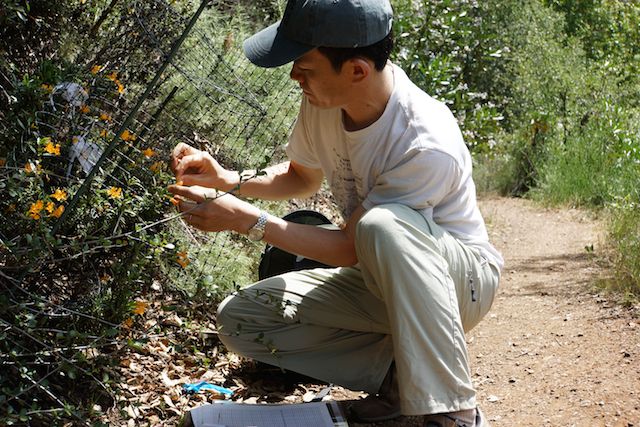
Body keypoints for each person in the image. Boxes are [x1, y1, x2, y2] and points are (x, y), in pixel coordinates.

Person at [168, 0, 503, 425]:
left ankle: (452, 411)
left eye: (304, 67)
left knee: (384, 225)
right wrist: (225, 178)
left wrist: (246, 220)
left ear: (357, 70)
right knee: (241, 319)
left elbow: (350, 246)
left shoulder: (424, 140)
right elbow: (299, 178)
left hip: (460, 283)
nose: (294, 76)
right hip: (379, 276)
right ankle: (399, 387)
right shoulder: (324, 102)